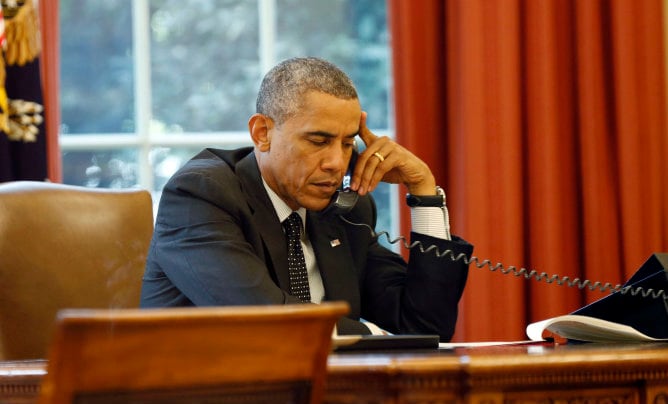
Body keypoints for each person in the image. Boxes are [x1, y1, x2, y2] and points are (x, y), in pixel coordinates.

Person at [140, 57, 473, 340]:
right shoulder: (201, 195)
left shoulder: (344, 208)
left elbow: (425, 326)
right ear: (262, 133)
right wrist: (375, 337)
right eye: (318, 141)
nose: (337, 163)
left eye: (347, 143)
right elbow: (266, 320)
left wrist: (424, 192)